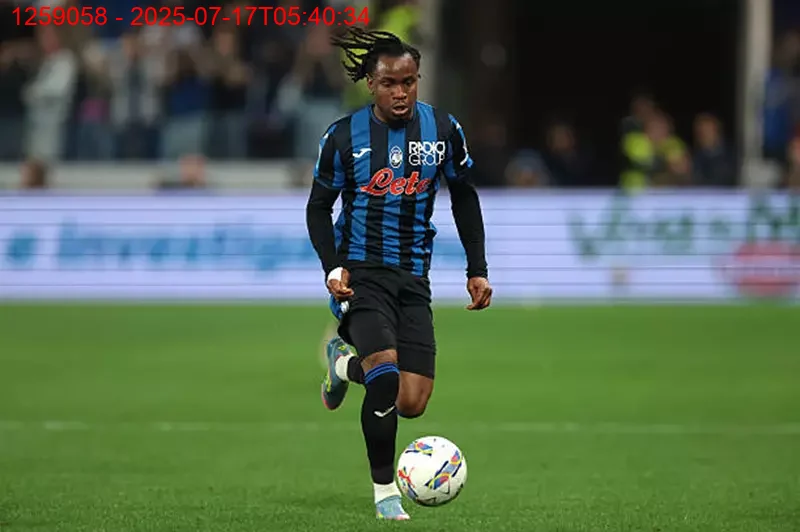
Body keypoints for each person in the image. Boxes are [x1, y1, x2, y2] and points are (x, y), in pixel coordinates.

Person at [305, 28, 492, 520]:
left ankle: (342, 367)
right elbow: (318, 207)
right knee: (385, 376)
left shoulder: (442, 130)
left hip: (413, 277)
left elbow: (464, 195)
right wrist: (332, 267)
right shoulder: (342, 136)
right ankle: (385, 491)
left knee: (412, 401)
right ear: (371, 83)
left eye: (409, 81)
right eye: (390, 83)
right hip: (361, 273)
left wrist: (477, 269)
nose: (401, 92)